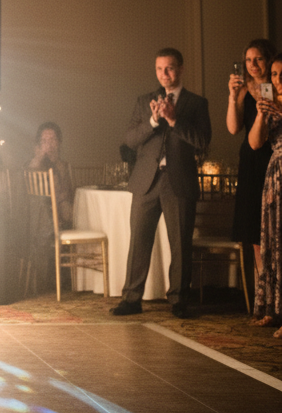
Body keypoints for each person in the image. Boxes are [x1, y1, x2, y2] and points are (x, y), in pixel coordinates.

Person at [112, 49, 211, 319]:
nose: (164, 74)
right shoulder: (145, 101)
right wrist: (154, 120)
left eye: (169, 68)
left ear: (180, 69)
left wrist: (174, 120)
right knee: (139, 241)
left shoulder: (196, 103)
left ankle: (179, 299)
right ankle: (131, 298)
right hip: (146, 181)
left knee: (180, 243)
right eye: (159, 69)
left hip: (179, 181)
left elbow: (202, 141)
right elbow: (130, 139)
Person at [225, 38, 275, 321]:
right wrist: (233, 97)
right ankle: (263, 302)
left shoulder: (275, 88)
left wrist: (262, 95)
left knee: (271, 236)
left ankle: (274, 302)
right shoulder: (243, 89)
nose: (253, 65)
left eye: (258, 59)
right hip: (250, 162)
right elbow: (233, 128)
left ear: (268, 60)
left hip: (270, 156)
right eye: (248, 60)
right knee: (255, 237)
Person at [247, 53, 282, 335]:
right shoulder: (271, 105)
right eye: (274, 74)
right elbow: (255, 142)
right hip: (275, 176)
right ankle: (273, 308)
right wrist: (261, 112)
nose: (278, 80)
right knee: (272, 244)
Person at [27, 121, 74, 228]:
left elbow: (69, 193)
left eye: (52, 140)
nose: (49, 145)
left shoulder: (63, 166)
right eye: (44, 141)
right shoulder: (34, 165)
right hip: (41, 215)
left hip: (63, 209)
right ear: (39, 145)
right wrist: (39, 158)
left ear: (59, 142)